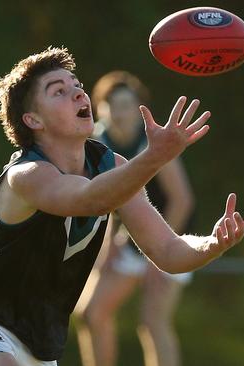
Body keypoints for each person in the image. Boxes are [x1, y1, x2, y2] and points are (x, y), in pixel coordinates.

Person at [0, 46, 244, 366]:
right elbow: (90, 199)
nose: (79, 95)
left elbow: (168, 250)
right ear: (33, 120)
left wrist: (212, 244)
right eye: (59, 91)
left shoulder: (112, 165)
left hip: (34, 338)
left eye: (77, 86)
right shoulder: (26, 176)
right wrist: (155, 156)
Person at [74, 71, 195, 366]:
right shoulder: (98, 143)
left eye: (126, 104)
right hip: (132, 238)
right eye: (110, 104)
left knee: (152, 321)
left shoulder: (151, 142)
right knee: (91, 313)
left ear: (139, 108)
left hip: (172, 233)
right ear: (99, 109)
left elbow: (182, 201)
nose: (118, 111)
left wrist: (161, 255)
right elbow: (105, 201)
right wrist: (108, 246)